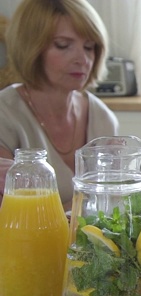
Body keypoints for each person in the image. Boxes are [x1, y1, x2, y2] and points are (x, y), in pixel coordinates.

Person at [0, 0, 118, 210]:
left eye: (89, 47)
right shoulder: (5, 114)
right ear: (31, 48)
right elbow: (14, 216)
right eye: (63, 45)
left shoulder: (102, 118)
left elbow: (112, 206)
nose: (82, 59)